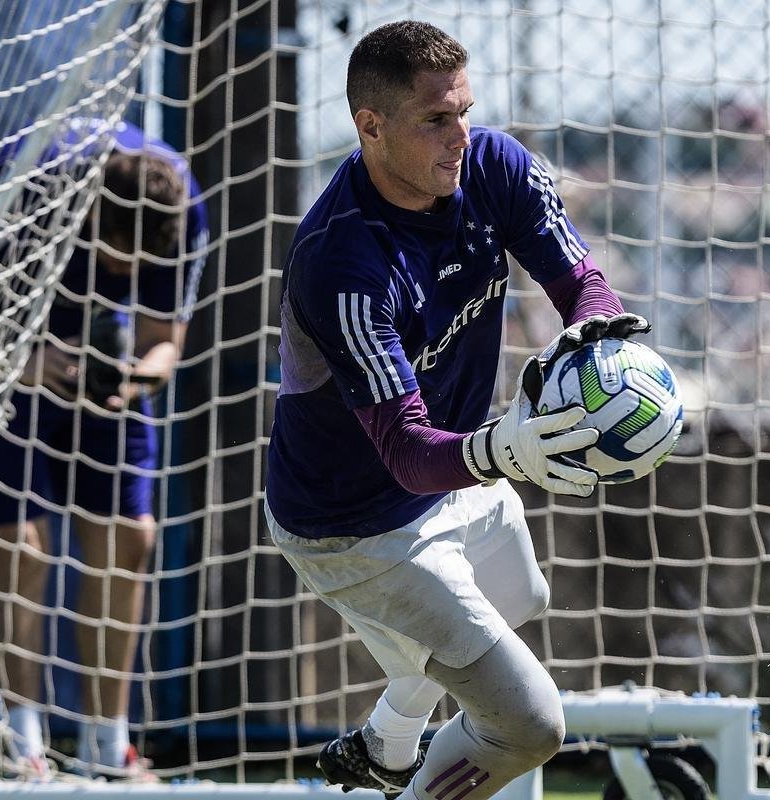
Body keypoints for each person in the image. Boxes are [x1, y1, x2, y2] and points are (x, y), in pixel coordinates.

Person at [264, 20, 651, 799]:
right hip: (355, 524)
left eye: (464, 110)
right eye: (435, 120)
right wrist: (501, 452)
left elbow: (581, 280)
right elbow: (405, 448)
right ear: (369, 127)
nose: (460, 137)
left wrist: (596, 330)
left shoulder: (494, 165)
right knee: (531, 726)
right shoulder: (341, 261)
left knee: (522, 595)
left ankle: (388, 741)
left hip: (453, 476)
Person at [0, 120, 207, 779]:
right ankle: (21, 744)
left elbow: (164, 339)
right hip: (7, 367)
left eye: (136, 266)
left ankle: (110, 744)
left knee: (131, 538)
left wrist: (136, 377)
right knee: (21, 547)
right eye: (110, 259)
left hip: (100, 379)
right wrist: (24, 361)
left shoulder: (181, 204)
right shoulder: (25, 188)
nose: (122, 274)